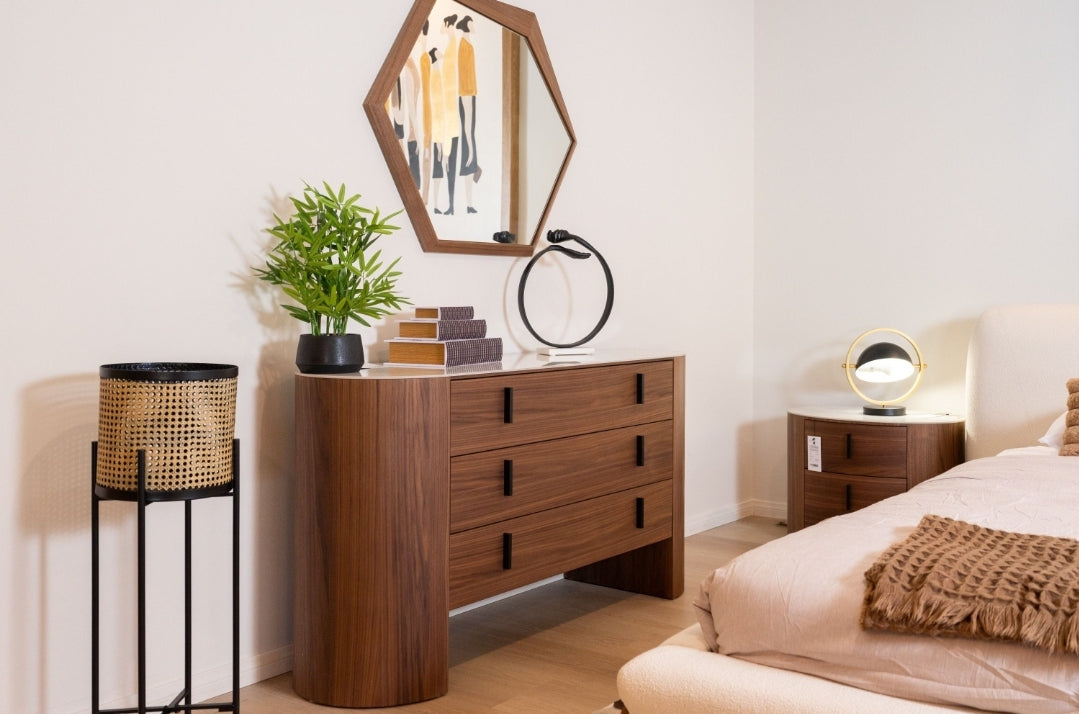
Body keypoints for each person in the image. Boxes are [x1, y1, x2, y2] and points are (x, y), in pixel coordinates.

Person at [456, 15, 482, 213]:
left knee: (469, 135)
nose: (474, 25)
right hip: (466, 94)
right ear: (467, 24)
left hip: (469, 94)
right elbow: (464, 75)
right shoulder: (464, 46)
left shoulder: (467, 45)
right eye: (472, 22)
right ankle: (469, 202)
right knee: (468, 138)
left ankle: (469, 202)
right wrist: (473, 152)